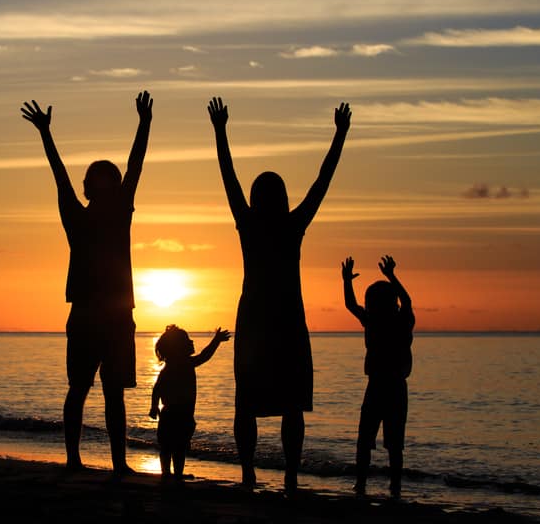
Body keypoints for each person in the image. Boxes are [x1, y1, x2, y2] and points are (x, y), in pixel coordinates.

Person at [208, 96, 351, 493]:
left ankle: (255, 471)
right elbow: (322, 180)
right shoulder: (286, 224)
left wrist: (220, 132)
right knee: (282, 403)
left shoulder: (260, 223)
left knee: (258, 401)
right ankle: (283, 472)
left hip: (264, 318)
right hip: (280, 319)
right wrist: (339, 135)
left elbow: (229, 177)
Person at [21, 91, 152, 475]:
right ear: (90, 189)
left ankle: (118, 463)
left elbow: (136, 165)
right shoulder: (76, 218)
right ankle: (74, 459)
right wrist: (46, 134)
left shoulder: (120, 213)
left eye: (112, 179)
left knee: (114, 393)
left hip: (116, 316)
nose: (110, 185)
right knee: (79, 388)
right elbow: (59, 175)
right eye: (102, 180)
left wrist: (144, 124)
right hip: (85, 315)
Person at [342, 255, 415, 499]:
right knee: (382, 442)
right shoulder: (380, 320)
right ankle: (381, 486)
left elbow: (405, 301)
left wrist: (391, 277)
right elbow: (352, 306)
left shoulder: (396, 321)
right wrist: (391, 277)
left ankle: (375, 485)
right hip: (383, 387)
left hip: (389, 386)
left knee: (381, 442)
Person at [149, 326, 230, 483]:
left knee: (169, 447)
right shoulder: (183, 364)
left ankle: (168, 474)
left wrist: (154, 407)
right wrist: (216, 341)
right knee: (176, 448)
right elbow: (204, 356)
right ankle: (173, 475)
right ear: (178, 347)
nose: (191, 341)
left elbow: (157, 389)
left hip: (173, 414)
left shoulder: (172, 366)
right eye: (187, 340)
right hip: (178, 415)